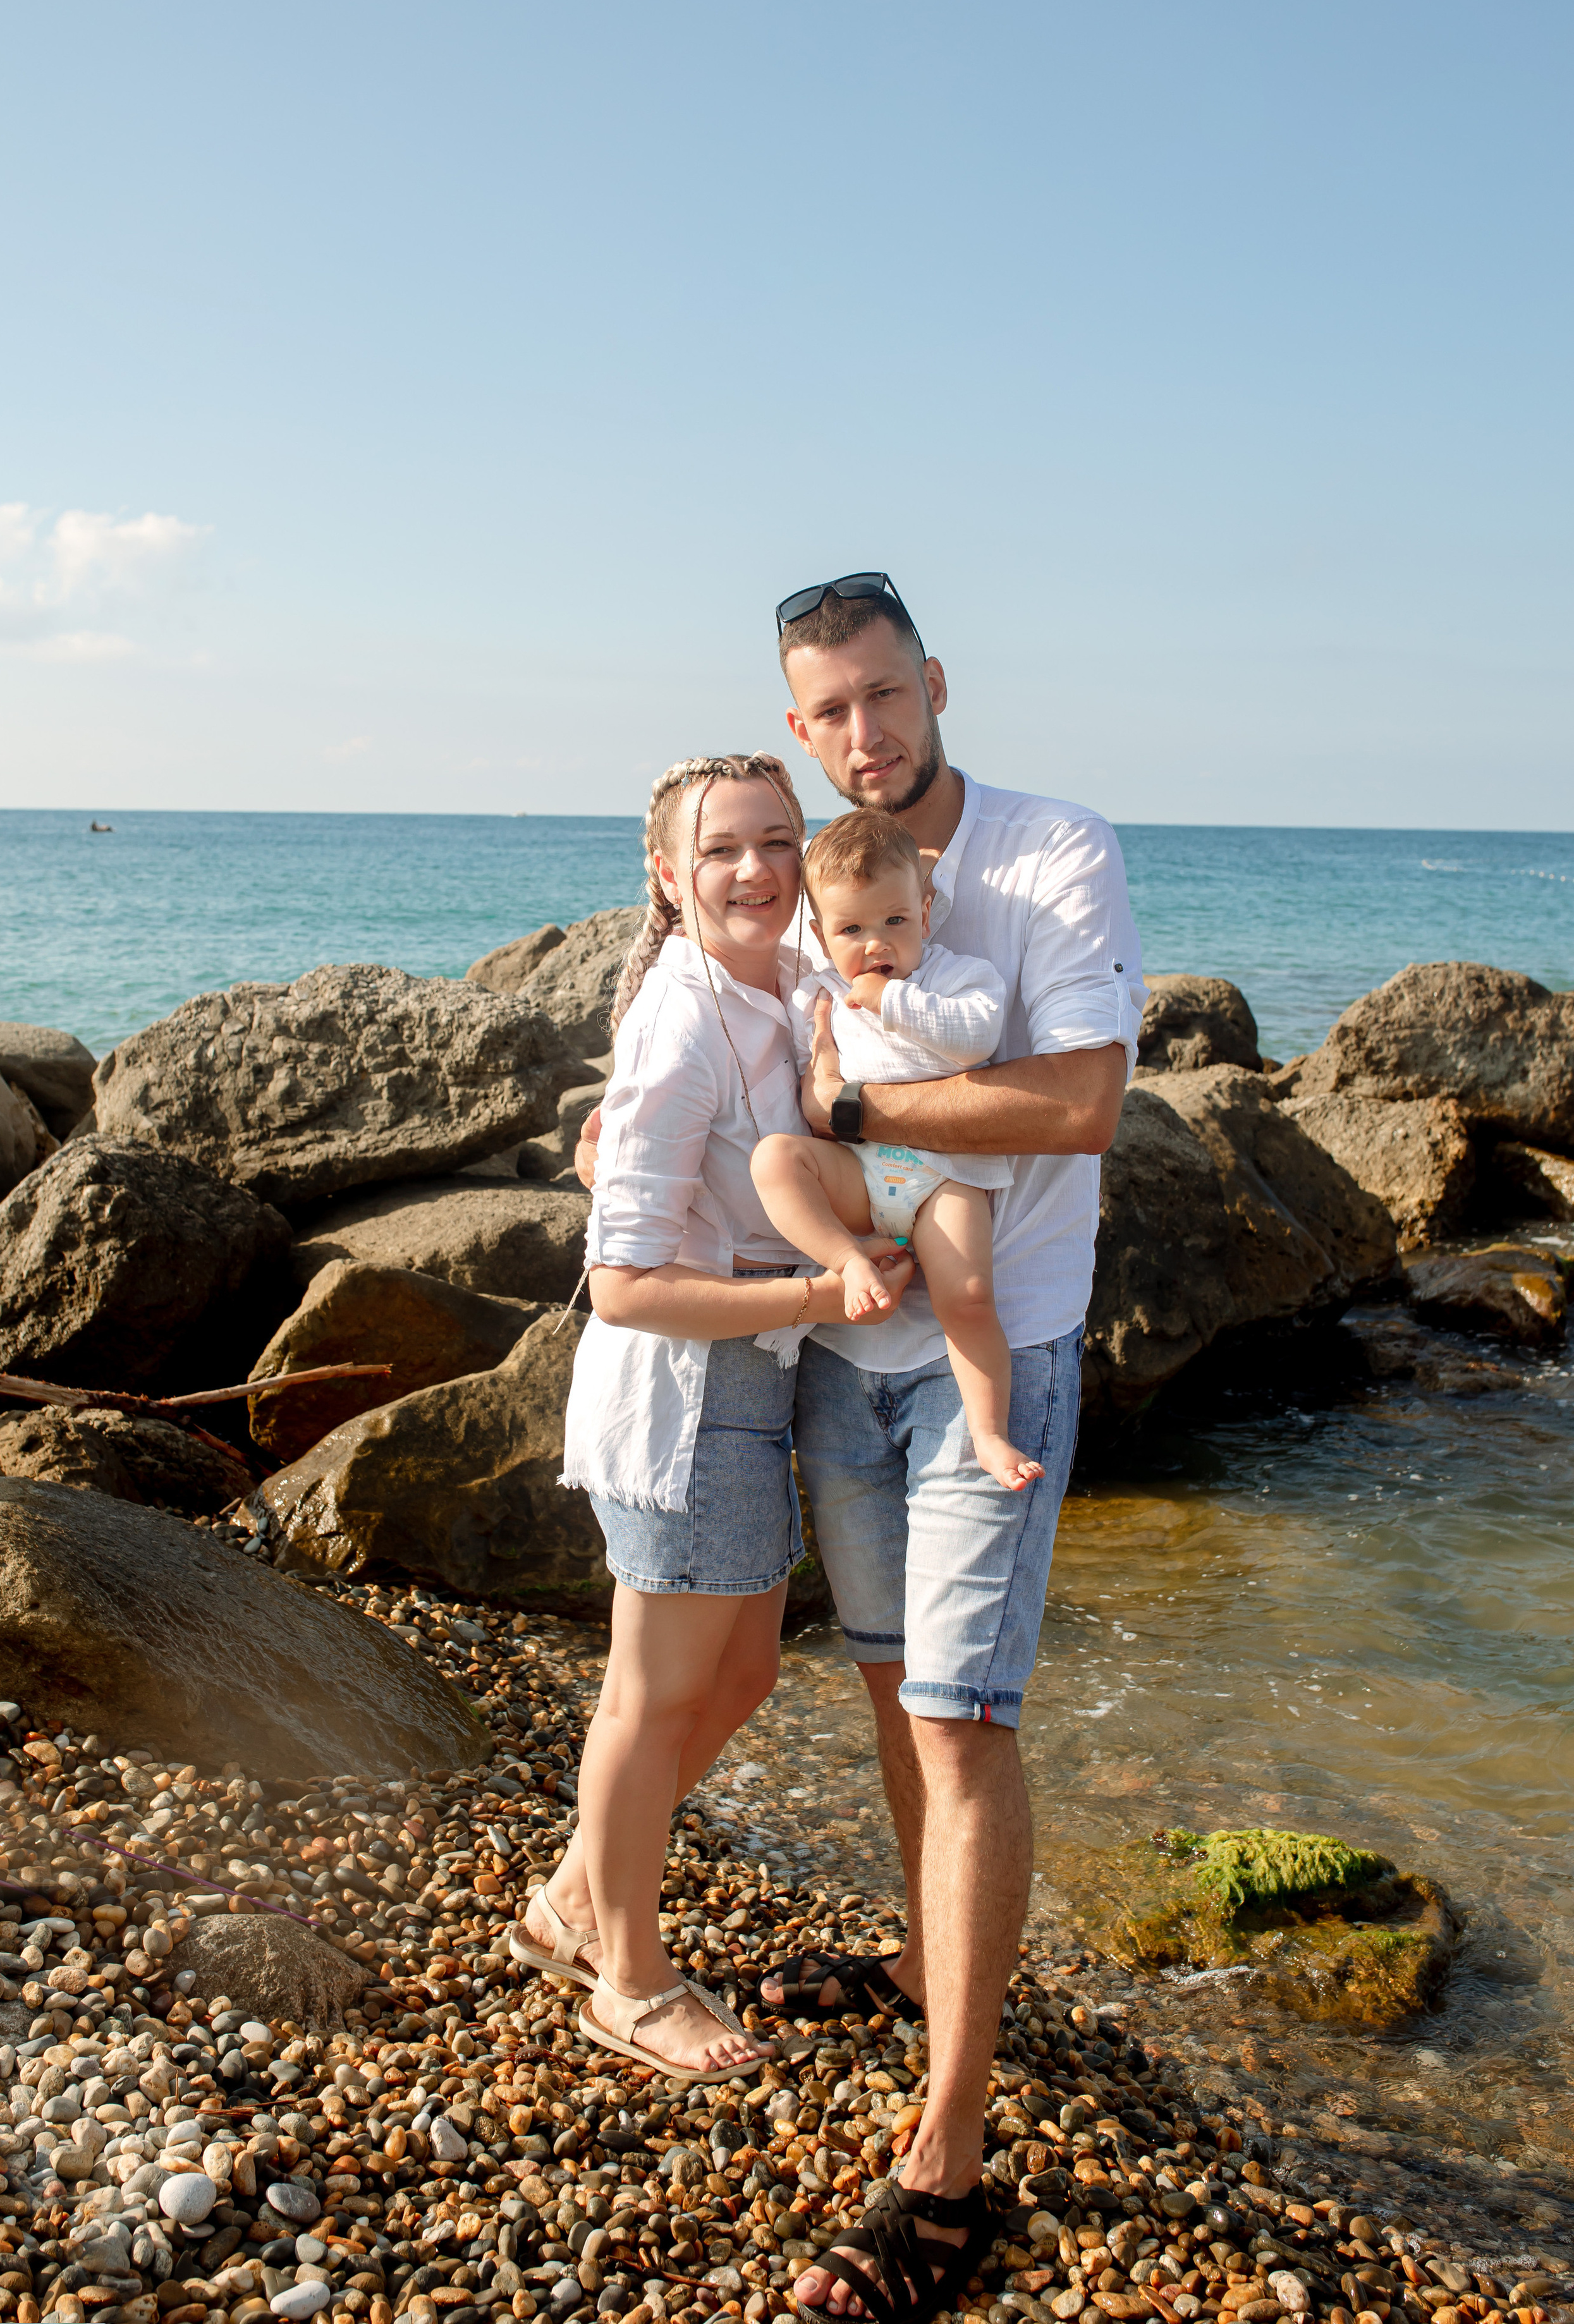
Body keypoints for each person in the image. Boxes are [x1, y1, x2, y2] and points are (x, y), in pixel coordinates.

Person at [760, 573, 1146, 2324]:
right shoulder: (808, 888)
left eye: (885, 695)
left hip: (1005, 1348)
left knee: (966, 1720)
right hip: (852, 1348)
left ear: (937, 683)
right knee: (892, 1689)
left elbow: (1077, 1104)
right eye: (830, 710)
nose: (865, 734)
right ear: (797, 726)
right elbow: (737, 1026)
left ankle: (951, 2163)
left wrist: (854, 1110)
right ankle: (930, 1964)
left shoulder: (1055, 852)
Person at [520, 749, 914, 2083]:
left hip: (756, 1381)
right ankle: (624, 1977)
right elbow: (623, 1282)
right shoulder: (680, 1020)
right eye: (723, 849)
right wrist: (822, 1287)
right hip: (688, 1392)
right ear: (668, 876)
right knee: (648, 1695)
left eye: (776, 842)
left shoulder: (791, 983)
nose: (754, 869)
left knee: (740, 1674)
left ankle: (579, 1895)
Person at [750, 806, 1042, 1492]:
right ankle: (847, 1263)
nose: (874, 944)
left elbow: (975, 1039)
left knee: (967, 1297)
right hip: (859, 1173)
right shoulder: (818, 995)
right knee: (774, 1161)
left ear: (926, 911)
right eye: (851, 930)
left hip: (944, 1178)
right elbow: (811, 1099)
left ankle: (990, 1434)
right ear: (820, 934)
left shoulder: (958, 979)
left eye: (894, 922)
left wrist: (889, 1000)